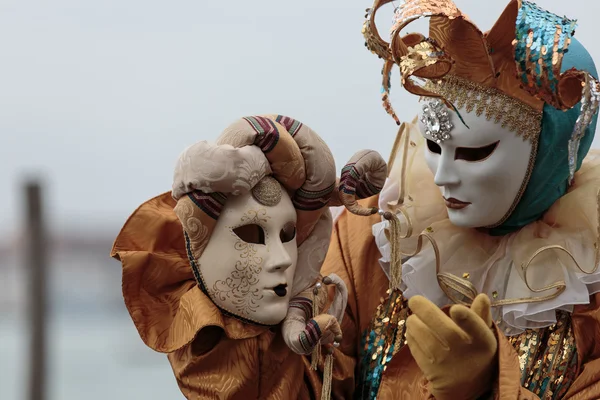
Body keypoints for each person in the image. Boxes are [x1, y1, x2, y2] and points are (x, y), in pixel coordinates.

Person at [324, 0, 600, 398]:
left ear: (552, 153)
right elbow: (309, 379)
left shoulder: (589, 289)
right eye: (434, 147)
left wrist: (488, 387)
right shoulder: (377, 235)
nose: (441, 176)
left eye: (474, 153)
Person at [111, 114, 386, 399]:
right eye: (252, 235)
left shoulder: (325, 330)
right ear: (192, 250)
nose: (283, 259)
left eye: (288, 234)